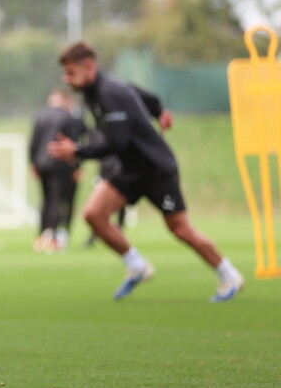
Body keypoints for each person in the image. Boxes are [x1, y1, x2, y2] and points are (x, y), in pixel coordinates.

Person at [48, 41, 244, 302]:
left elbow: (117, 142)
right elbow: (149, 98)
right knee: (94, 214)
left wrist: (78, 152)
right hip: (129, 170)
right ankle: (137, 266)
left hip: (156, 171)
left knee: (181, 229)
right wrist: (159, 112)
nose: (66, 79)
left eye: (71, 73)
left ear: (89, 66)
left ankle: (229, 274)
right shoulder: (100, 91)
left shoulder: (110, 92)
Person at [28, 88, 85, 252]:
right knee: (56, 200)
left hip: (41, 163)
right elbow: (72, 143)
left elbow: (34, 142)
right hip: (59, 164)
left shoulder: (40, 116)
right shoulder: (67, 117)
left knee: (45, 200)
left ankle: (41, 235)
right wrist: (76, 166)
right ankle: (51, 236)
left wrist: (33, 163)